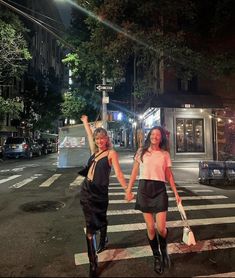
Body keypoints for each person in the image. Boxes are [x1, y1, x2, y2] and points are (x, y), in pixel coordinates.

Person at [125, 126, 181, 275]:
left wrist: (176, 193)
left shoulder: (165, 154)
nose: (155, 136)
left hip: (159, 190)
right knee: (150, 228)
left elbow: (169, 175)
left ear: (161, 138)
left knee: (161, 228)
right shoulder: (141, 152)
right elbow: (134, 172)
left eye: (158, 134)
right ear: (149, 136)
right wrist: (128, 190)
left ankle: (164, 251)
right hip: (144, 189)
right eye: (153, 134)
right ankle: (157, 257)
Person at [80, 115, 129, 277]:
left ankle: (104, 238)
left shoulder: (111, 154)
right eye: (97, 139)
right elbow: (89, 135)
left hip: (100, 193)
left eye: (102, 138)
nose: (99, 141)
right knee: (90, 228)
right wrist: (86, 123)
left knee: (99, 219)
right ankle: (93, 262)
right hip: (87, 191)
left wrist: (127, 190)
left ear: (106, 139)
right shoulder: (94, 152)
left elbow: (119, 173)